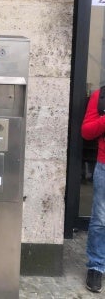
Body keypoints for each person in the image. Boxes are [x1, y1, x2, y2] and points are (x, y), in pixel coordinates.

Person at [81, 88, 105, 293]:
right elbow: (87, 131)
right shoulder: (101, 96)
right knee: (101, 219)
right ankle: (96, 266)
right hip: (104, 166)